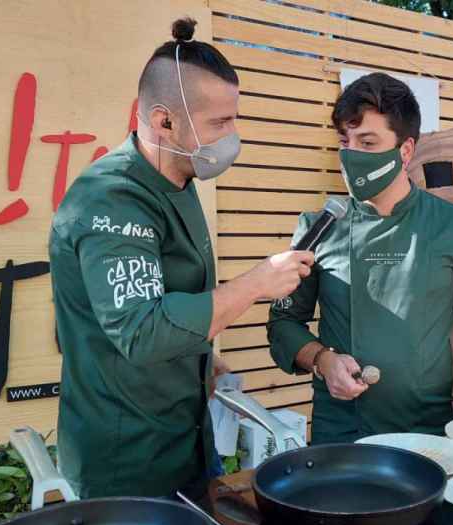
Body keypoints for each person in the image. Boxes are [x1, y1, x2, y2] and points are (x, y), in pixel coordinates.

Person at [49, 18, 314, 499]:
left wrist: (201, 359)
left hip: (185, 435)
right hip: (126, 458)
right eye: (219, 123)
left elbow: (169, 292)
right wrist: (256, 284)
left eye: (233, 119)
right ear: (163, 121)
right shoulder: (111, 200)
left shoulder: (178, 178)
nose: (232, 137)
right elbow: (142, 329)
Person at [267, 73, 453, 443]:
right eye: (345, 142)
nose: (351, 155)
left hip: (427, 429)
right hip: (341, 428)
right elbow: (283, 322)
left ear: (405, 151)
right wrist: (323, 360)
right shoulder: (319, 227)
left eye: (367, 142)